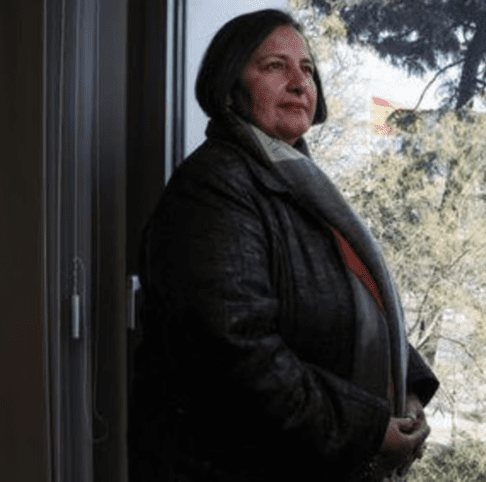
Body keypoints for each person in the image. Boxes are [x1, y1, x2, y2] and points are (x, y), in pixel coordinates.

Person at [128, 9, 439, 482]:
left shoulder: (301, 185)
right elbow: (238, 357)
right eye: (274, 66)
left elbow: (356, 298)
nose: (298, 82)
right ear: (230, 87)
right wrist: (371, 428)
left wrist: (407, 391)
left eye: (307, 69)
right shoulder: (213, 188)